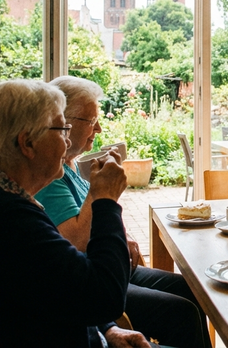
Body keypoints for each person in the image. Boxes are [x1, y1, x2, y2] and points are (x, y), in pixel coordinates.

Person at [0, 79, 151, 348]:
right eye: (62, 130)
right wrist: (105, 199)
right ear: (27, 143)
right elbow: (104, 299)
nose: (66, 142)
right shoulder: (4, 220)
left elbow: (62, 283)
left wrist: (107, 330)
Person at [34, 76, 211, 348]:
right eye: (92, 121)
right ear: (64, 122)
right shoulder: (52, 175)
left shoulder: (68, 164)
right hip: (94, 275)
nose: (100, 129)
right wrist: (103, 193)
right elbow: (77, 243)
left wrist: (121, 237)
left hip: (112, 265)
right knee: (181, 312)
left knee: (191, 289)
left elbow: (94, 222)